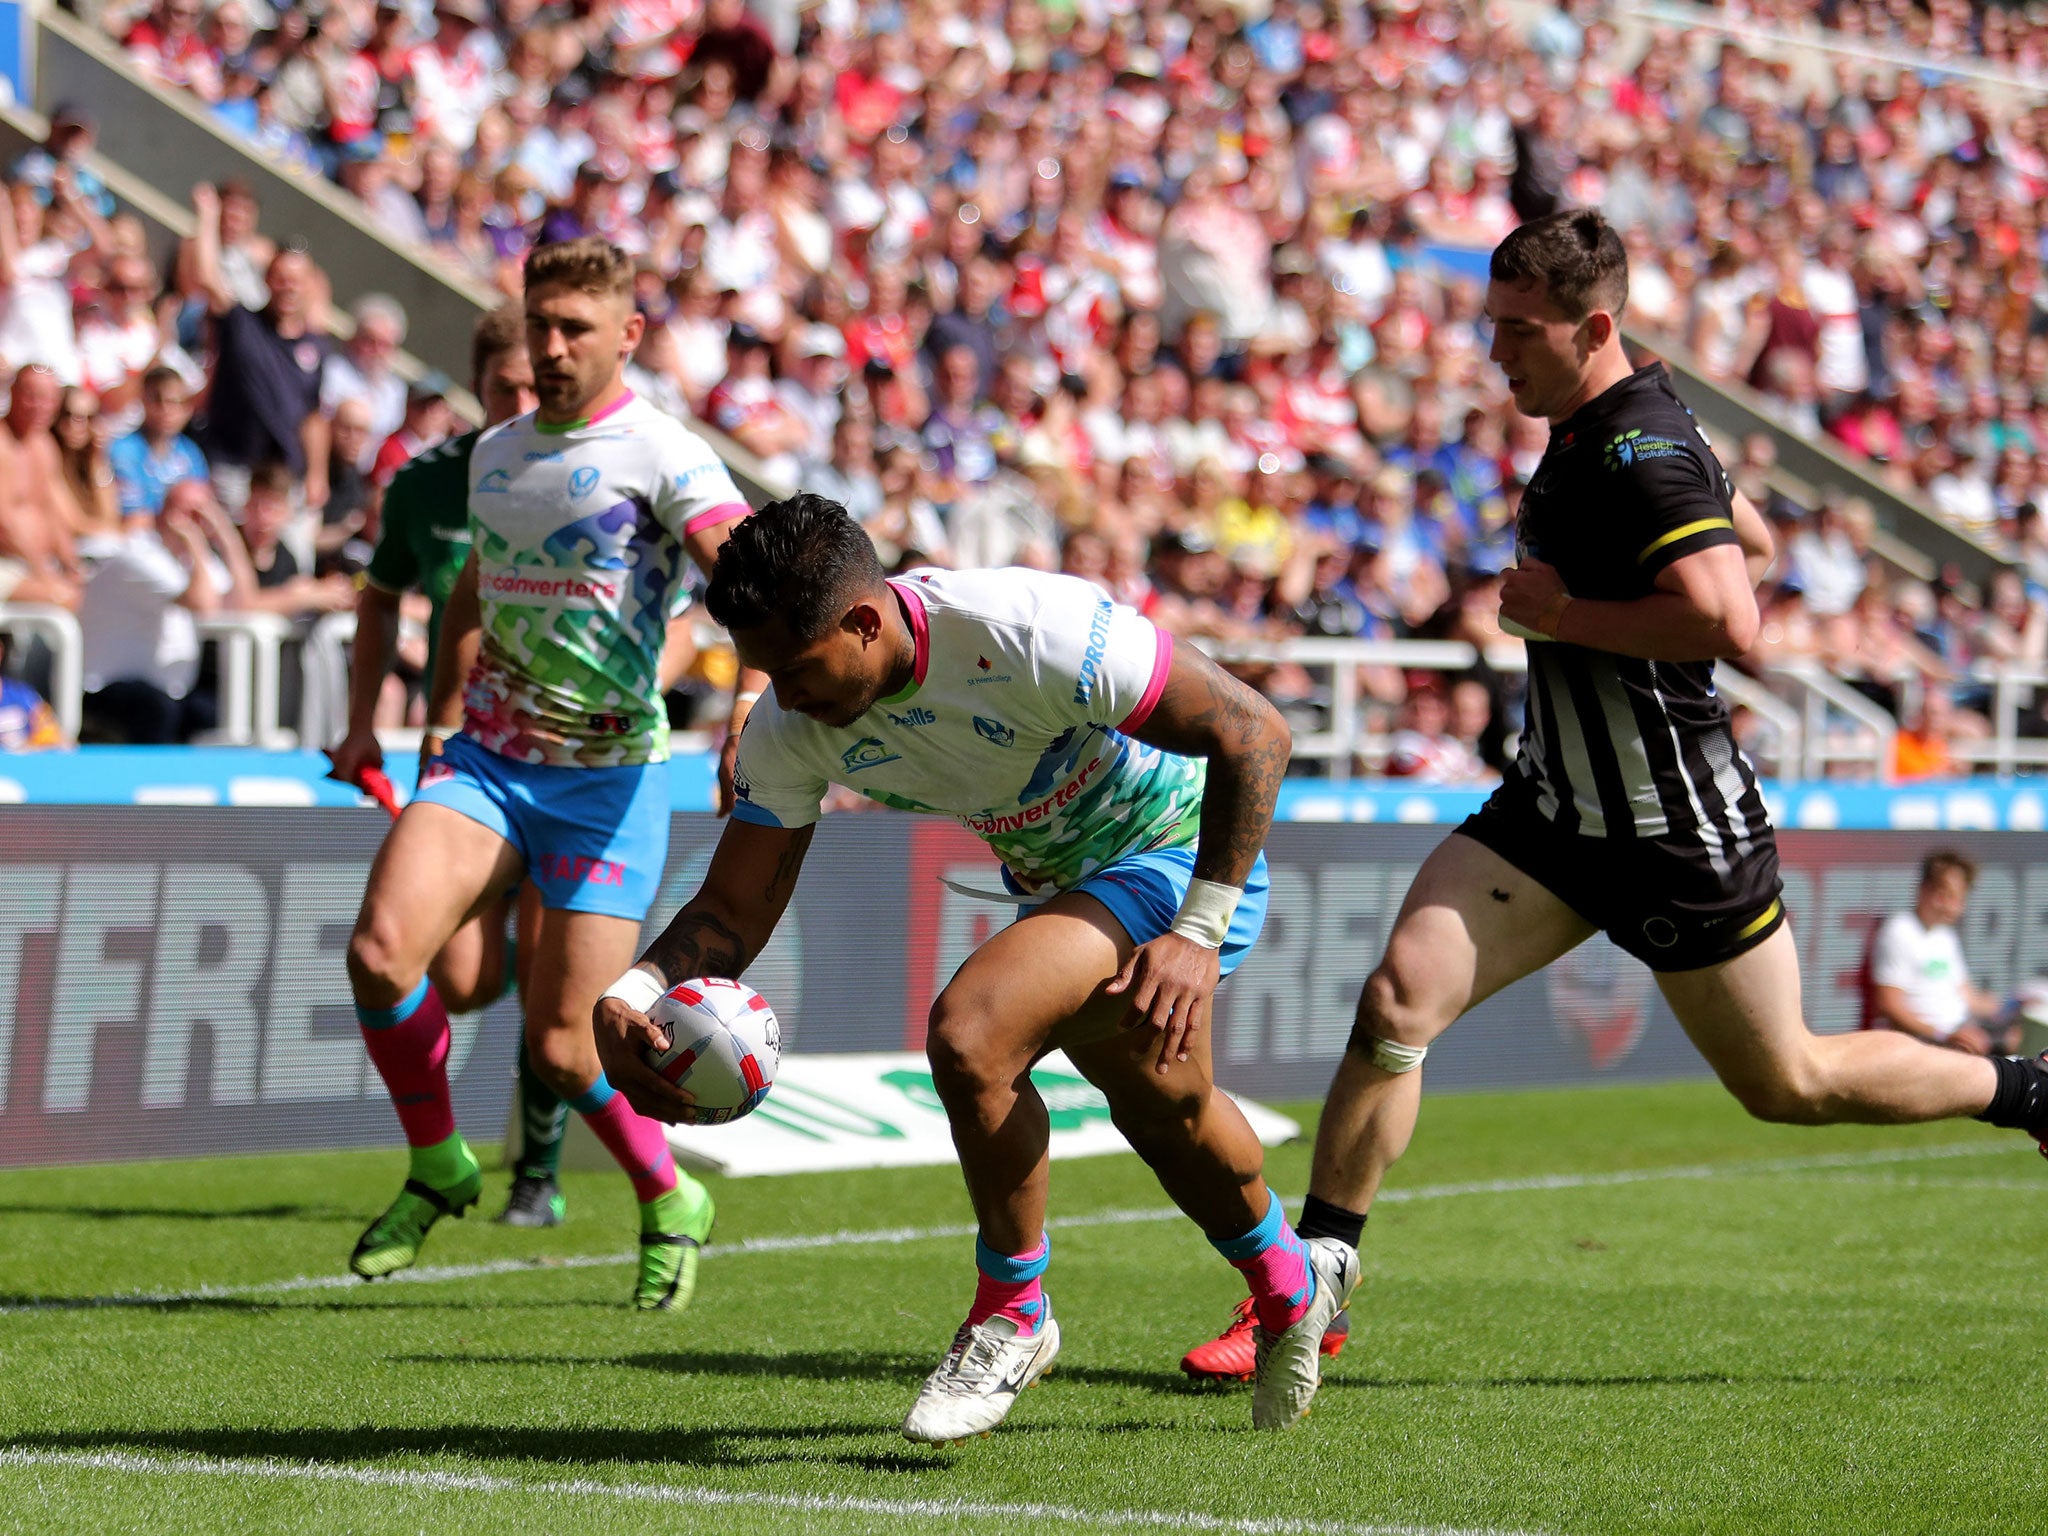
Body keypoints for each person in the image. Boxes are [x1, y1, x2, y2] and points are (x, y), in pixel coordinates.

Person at [1177, 209, 2048, 1405]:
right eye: (1491, 327)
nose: (1496, 354)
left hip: (1674, 830)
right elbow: (1746, 530)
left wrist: (1560, 613)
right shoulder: (1615, 420)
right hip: (1550, 816)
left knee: (1784, 1083)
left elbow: (1729, 618)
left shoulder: (1639, 447)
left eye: (1518, 333)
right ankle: (1311, 1288)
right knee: (1395, 1003)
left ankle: (2026, 1090)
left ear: (1592, 326)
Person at [591, 493, 1351, 1441]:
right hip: (1060, 885)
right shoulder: (792, 724)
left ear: (865, 620)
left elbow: (1254, 732)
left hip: (1178, 856)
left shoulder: (1030, 627)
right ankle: (1296, 1284)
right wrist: (635, 991)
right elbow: (733, 908)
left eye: (796, 667)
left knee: (973, 1036)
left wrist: (1198, 933)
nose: (783, 698)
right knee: (1168, 1110)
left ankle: (1013, 1313)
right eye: (765, 673)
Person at [340, 239, 757, 1315]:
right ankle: (438, 1164)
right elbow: (469, 593)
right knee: (382, 954)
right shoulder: (496, 454)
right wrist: (437, 720)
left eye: (576, 329)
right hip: (489, 760)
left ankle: (669, 1198)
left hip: (607, 779)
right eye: (542, 327)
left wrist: (749, 706)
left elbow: (753, 583)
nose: (555, 348)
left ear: (627, 335)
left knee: (570, 1051)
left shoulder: (663, 454)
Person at [79, 477, 256, 742]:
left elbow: (242, 603)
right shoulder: (138, 554)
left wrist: (226, 534)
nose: (193, 522)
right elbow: (203, 604)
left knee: (211, 713)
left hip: (168, 691)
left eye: (202, 514)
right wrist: (196, 543)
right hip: (106, 689)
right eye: (186, 512)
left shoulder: (195, 563)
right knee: (158, 710)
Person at [1867, 850, 2019, 1056]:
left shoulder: (1946, 936)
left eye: (1957, 898)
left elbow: (1969, 998)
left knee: (2017, 1037)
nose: (1951, 906)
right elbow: (1889, 1005)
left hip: (1960, 1033)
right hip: (1928, 1046)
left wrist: (2016, 1006)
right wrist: (1942, 1036)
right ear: (1924, 889)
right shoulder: (1898, 931)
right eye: (1944, 894)